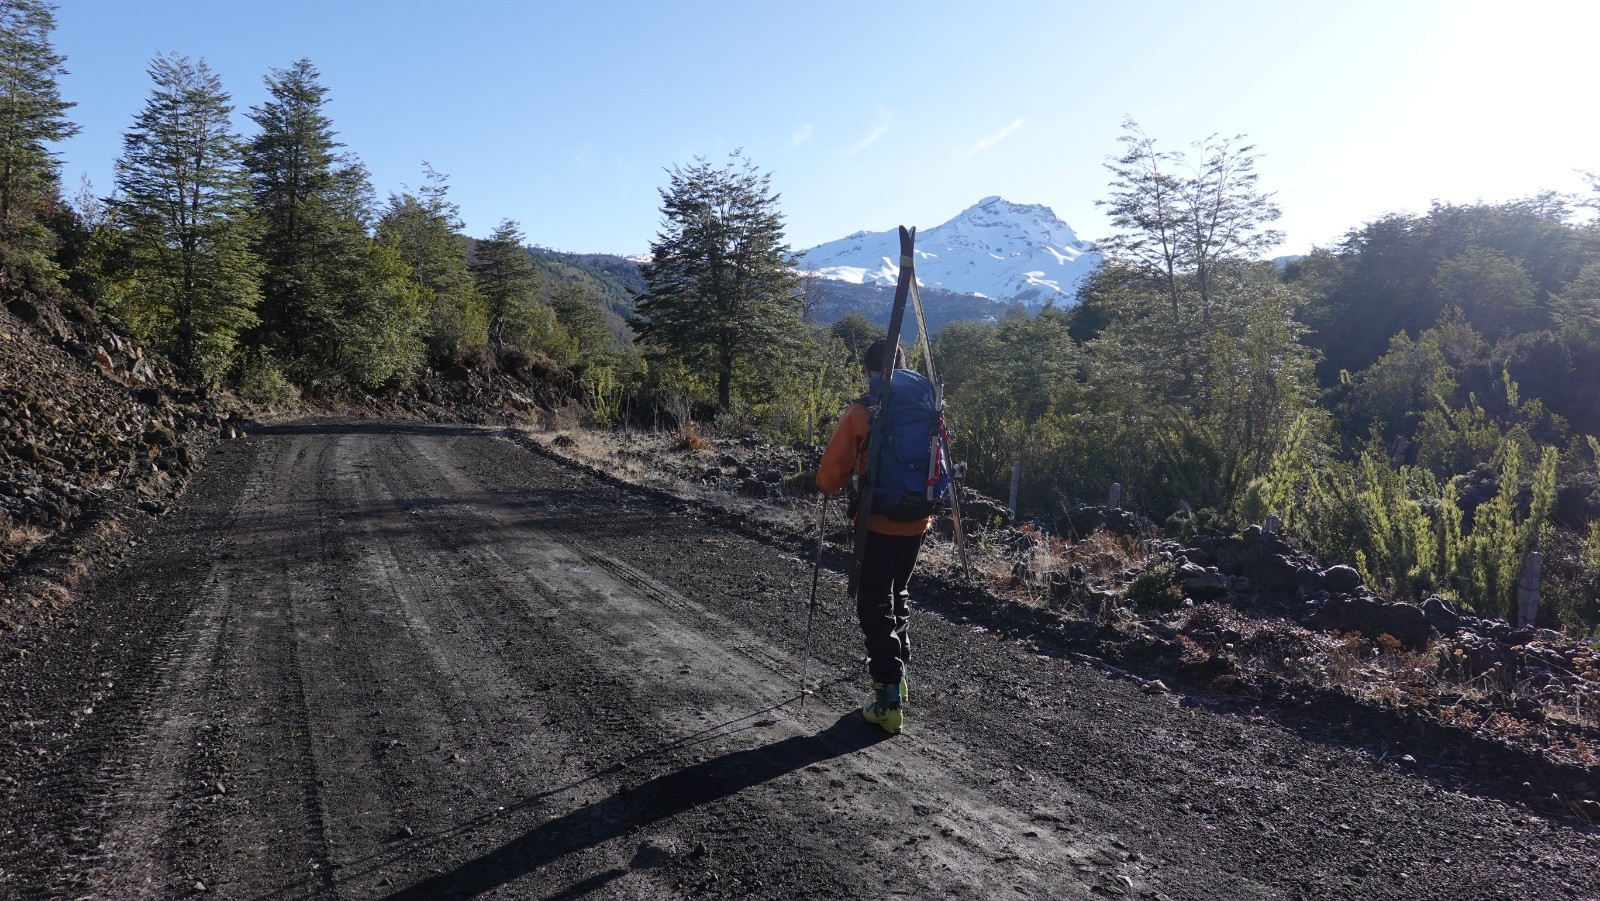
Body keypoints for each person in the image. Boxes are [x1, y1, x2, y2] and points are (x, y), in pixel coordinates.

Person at [815, 339, 931, 735]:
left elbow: (832, 472)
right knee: (898, 593)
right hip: (918, 520)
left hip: (877, 520)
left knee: (872, 602)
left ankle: (887, 700)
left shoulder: (866, 409)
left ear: (870, 372)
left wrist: (827, 486)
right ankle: (900, 678)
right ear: (903, 365)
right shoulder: (927, 406)